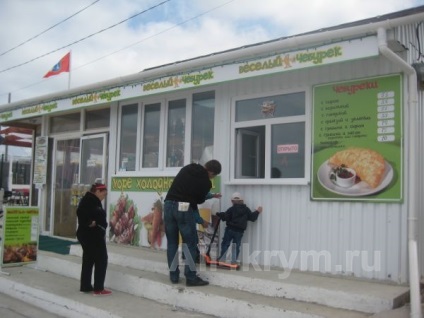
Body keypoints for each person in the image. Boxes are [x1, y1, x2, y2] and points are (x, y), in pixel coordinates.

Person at [164, 159, 222, 286]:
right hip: (183, 208)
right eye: (213, 176)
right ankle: (190, 277)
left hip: (168, 205)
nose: (212, 178)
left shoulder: (188, 168)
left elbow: (186, 192)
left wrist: (211, 196)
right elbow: (196, 201)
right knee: (190, 243)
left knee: (172, 242)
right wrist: (200, 220)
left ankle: (174, 276)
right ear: (212, 172)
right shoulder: (205, 182)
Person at [76, 182, 111, 296]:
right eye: (103, 194)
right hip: (91, 236)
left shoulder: (92, 200)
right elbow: (80, 212)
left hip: (90, 235)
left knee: (89, 259)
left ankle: (85, 286)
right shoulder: (89, 200)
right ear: (97, 191)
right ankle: (98, 288)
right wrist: (89, 222)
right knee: (101, 259)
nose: (103, 197)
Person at [217, 192, 263, 264]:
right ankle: (234, 261)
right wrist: (257, 211)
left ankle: (222, 259)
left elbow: (225, 217)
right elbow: (252, 218)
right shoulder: (246, 210)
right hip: (239, 231)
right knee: (236, 246)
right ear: (242, 200)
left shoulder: (231, 209)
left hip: (230, 229)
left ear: (232, 201)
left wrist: (220, 214)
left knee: (225, 244)